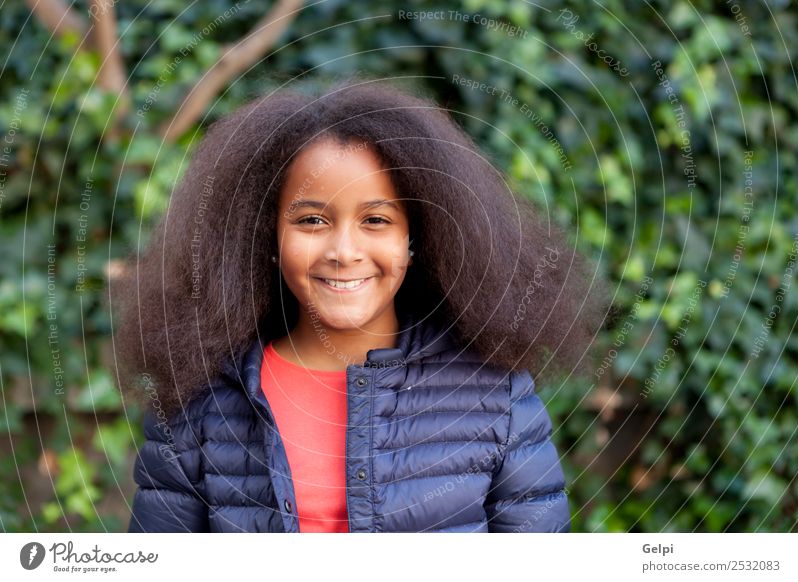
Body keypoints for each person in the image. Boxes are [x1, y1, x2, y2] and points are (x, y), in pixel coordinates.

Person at [115, 77, 609, 533]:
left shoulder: (495, 395)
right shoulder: (198, 401)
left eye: (375, 220)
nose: (344, 251)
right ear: (266, 234)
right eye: (311, 220)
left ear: (417, 237)